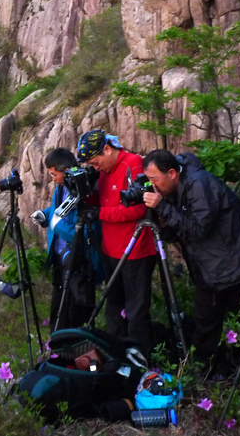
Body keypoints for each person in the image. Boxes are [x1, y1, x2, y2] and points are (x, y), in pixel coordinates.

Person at [141, 149, 240, 378]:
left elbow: (197, 229)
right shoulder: (176, 189)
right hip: (211, 269)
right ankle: (201, 373)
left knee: (239, 324)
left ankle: (237, 377)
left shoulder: (200, 185)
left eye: (154, 179)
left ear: (172, 173)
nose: (152, 185)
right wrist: (162, 222)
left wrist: (163, 207)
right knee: (205, 324)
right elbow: (179, 232)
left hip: (236, 267)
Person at [76, 129, 157, 355]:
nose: (96, 166)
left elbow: (141, 208)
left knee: (136, 310)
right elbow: (101, 201)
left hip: (136, 250)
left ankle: (142, 359)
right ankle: (118, 356)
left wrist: (99, 213)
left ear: (108, 149)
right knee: (113, 308)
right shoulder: (104, 170)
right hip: (110, 249)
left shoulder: (133, 164)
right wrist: (84, 194)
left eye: (96, 161)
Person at [30, 147, 103, 331]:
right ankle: (58, 352)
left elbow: (88, 231)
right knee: (57, 314)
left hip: (78, 264)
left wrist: (56, 224)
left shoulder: (84, 190)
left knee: (72, 317)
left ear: (66, 170)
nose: (52, 178)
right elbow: (59, 211)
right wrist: (45, 216)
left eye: (54, 174)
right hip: (61, 261)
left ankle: (73, 354)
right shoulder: (62, 188)